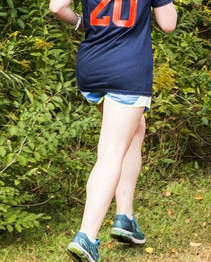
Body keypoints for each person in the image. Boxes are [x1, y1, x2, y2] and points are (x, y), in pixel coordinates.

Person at [48, 0, 176, 261]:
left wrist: (80, 23)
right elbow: (168, 24)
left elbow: (57, 6)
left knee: (134, 131)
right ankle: (86, 235)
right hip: (127, 70)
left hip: (92, 66)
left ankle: (125, 217)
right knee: (111, 152)